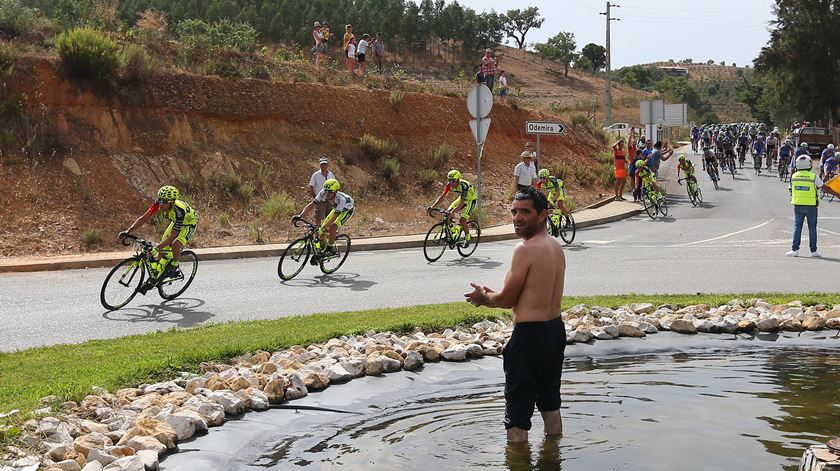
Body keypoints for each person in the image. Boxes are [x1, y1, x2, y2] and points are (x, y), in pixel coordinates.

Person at [464, 187, 566, 443]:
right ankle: (552, 459)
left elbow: (507, 300)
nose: (517, 218)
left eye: (525, 212)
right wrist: (493, 295)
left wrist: (484, 298)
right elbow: (531, 293)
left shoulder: (525, 249)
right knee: (550, 403)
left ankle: (518, 462)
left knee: (517, 414)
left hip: (530, 336)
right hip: (555, 331)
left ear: (543, 214)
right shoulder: (555, 246)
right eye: (514, 212)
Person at [119, 185, 198, 289]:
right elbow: (144, 218)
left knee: (175, 244)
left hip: (188, 224)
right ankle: (157, 275)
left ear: (172, 202)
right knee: (163, 248)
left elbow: (173, 236)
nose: (161, 204)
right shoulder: (158, 204)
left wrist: (157, 248)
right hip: (176, 223)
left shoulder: (179, 211)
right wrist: (128, 231)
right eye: (160, 200)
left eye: (164, 201)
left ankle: (175, 266)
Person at [787, 155, 840, 257]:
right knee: (812, 228)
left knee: (797, 227)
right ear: (809, 164)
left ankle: (795, 250)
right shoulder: (813, 176)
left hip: (798, 205)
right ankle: (813, 251)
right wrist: (837, 194)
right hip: (811, 206)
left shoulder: (794, 176)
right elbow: (825, 188)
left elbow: (790, 189)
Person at [295, 178, 354, 256]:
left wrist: (322, 229)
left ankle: (330, 248)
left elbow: (334, 218)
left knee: (332, 227)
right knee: (322, 228)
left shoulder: (341, 199)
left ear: (336, 192)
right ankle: (321, 251)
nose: (327, 194)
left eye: (330, 192)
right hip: (337, 209)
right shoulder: (323, 192)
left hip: (347, 211)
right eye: (326, 191)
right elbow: (312, 204)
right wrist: (300, 215)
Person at [428, 169, 477, 247]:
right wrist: (432, 206)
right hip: (461, 199)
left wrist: (453, 212)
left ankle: (468, 237)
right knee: (447, 215)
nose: (451, 183)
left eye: (453, 181)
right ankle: (453, 232)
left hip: (471, 200)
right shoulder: (449, 185)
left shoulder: (464, 186)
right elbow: (442, 196)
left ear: (458, 180)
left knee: (462, 220)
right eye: (449, 180)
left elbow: (461, 203)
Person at [308, 156, 336, 226]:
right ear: (320, 165)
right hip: (320, 200)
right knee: (318, 218)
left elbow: (335, 186)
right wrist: (315, 197)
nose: (323, 166)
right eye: (322, 164)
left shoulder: (331, 175)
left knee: (330, 217)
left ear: (327, 165)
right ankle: (318, 234)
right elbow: (311, 187)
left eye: (325, 164)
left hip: (330, 200)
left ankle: (328, 233)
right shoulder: (315, 175)